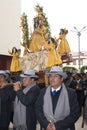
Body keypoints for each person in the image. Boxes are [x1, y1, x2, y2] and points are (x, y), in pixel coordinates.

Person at [35, 66, 80, 130]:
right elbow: (38, 109)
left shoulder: (70, 93)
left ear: (61, 79)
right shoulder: (43, 92)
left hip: (64, 127)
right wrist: (46, 124)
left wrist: (57, 126)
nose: (52, 79)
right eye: (50, 76)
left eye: (55, 76)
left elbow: (75, 114)